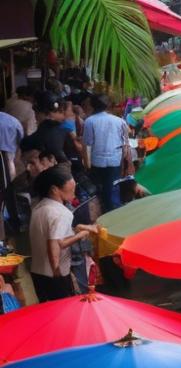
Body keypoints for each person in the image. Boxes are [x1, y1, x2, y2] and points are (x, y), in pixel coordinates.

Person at [28, 166, 97, 302]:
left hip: (37, 271)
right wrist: (57, 272)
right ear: (54, 189)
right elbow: (55, 243)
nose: (74, 194)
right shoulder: (62, 213)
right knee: (64, 310)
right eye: (71, 190)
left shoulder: (39, 208)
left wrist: (78, 228)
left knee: (48, 311)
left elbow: (54, 234)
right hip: (55, 274)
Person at [82, 94, 132, 213]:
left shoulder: (89, 121)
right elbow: (126, 144)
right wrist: (127, 163)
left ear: (93, 106)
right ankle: (113, 212)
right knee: (112, 188)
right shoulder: (120, 121)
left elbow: (86, 145)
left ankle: (103, 211)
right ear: (108, 106)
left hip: (96, 161)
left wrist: (87, 165)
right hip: (115, 160)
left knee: (99, 188)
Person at [21, 91, 68, 163]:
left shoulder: (46, 129)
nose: (35, 115)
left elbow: (25, 144)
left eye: (36, 112)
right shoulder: (61, 127)